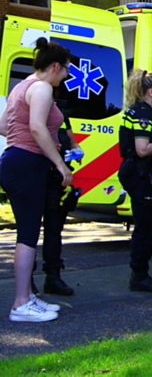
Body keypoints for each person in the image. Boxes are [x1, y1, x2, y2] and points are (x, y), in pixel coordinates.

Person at [0, 37, 73, 322]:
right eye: (65, 70)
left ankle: (27, 298)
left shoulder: (23, 85)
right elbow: (37, 127)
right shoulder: (42, 88)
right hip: (27, 164)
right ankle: (20, 303)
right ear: (55, 66)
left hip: (17, 161)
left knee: (28, 233)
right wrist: (59, 163)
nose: (66, 76)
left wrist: (34, 142)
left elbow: (4, 126)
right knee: (28, 236)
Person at [118, 69, 152, 291]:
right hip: (138, 172)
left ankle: (139, 273)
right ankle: (138, 275)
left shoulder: (137, 110)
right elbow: (143, 149)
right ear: (151, 91)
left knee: (148, 224)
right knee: (147, 226)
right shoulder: (144, 114)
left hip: (136, 172)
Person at [39, 99, 82, 296]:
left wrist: (76, 151)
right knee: (29, 233)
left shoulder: (61, 114)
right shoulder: (37, 111)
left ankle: (53, 278)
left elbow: (72, 140)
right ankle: (27, 281)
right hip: (37, 176)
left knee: (54, 231)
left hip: (57, 181)